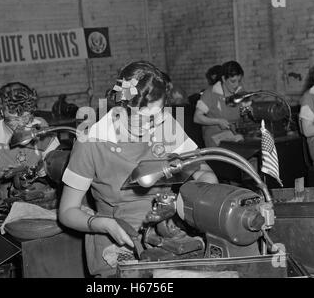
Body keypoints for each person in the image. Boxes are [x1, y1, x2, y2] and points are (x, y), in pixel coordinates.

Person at [59, 61, 218, 277]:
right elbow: (67, 212)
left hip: (169, 230)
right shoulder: (92, 141)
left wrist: (190, 206)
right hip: (117, 240)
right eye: (144, 118)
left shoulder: (166, 125)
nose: (154, 124)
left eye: (160, 113)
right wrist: (104, 225)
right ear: (121, 108)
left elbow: (204, 173)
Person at [0, 82, 60, 194]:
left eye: (26, 117)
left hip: (43, 190)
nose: (21, 124)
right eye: (14, 119)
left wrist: (47, 166)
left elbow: (56, 158)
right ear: (1, 111)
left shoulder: (40, 126)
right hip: (10, 196)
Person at [194, 61, 247, 147]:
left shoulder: (239, 93)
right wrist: (218, 121)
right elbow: (197, 117)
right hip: (215, 139)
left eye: (239, 81)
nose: (237, 85)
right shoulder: (210, 93)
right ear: (223, 79)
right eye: (233, 81)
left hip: (234, 134)